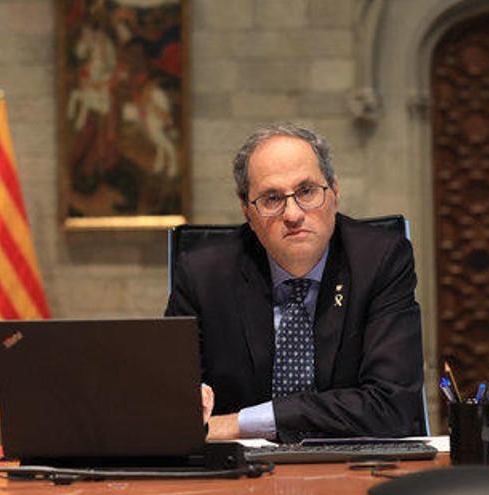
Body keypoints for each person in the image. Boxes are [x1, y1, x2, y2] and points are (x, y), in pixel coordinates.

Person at [165, 123, 424, 443]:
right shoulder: (204, 275)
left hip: (355, 466)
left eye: (306, 191)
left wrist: (243, 422)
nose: (293, 214)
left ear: (335, 192)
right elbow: (168, 403)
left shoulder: (380, 261)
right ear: (247, 211)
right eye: (272, 198)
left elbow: (391, 406)